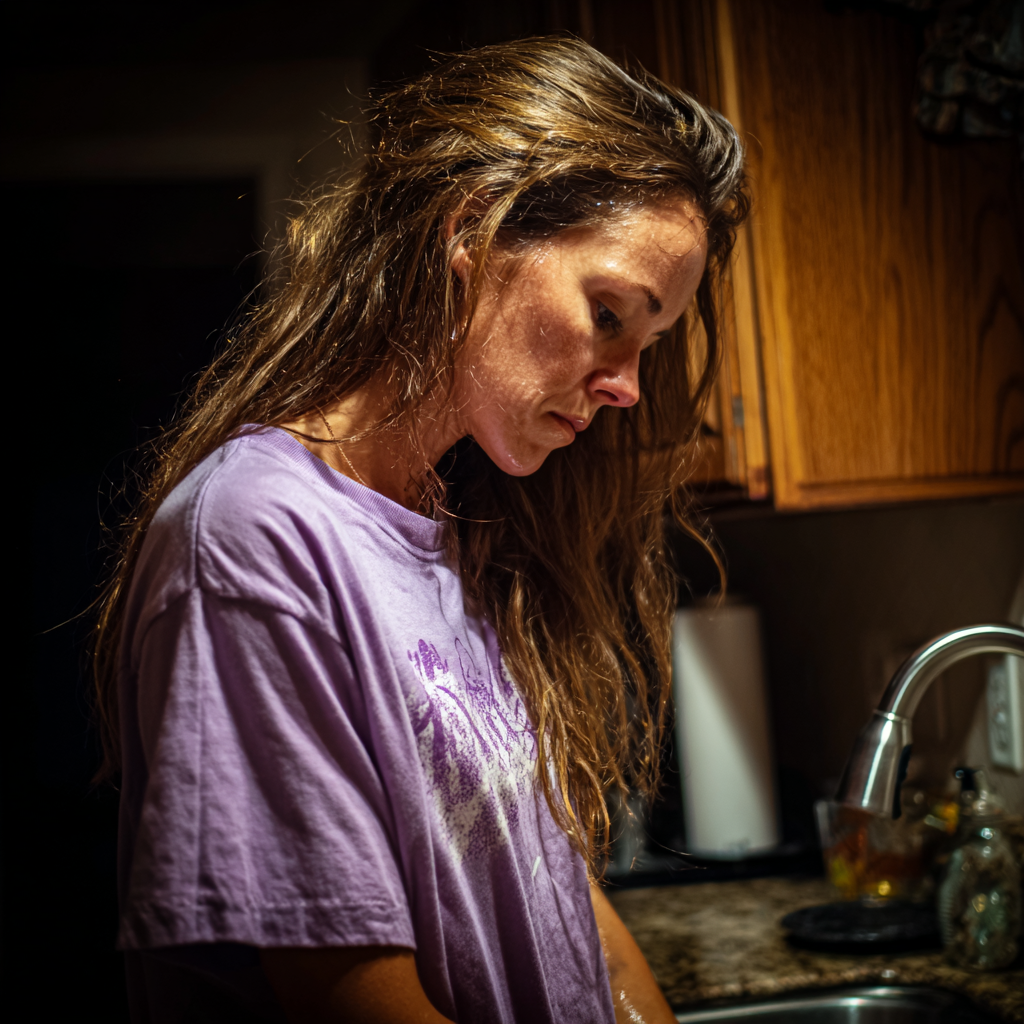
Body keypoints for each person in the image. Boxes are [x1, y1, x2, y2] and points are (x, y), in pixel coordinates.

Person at [93, 36, 747, 1024]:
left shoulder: (456, 529)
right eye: (610, 312)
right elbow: (348, 1002)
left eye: (648, 343)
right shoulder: (257, 535)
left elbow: (561, 893)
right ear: (469, 230)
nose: (626, 386)